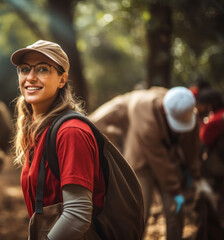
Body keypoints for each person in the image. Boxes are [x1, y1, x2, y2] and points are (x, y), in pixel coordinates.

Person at [11, 40, 106, 239]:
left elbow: (77, 215)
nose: (30, 77)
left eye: (43, 69)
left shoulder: (71, 132)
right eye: (24, 69)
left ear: (62, 79)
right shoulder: (37, 128)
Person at [89, 86, 202, 240]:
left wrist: (194, 173)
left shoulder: (184, 109)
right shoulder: (145, 115)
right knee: (139, 211)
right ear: (164, 111)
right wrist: (176, 191)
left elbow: (191, 146)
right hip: (141, 161)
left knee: (175, 210)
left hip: (168, 160)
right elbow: (160, 162)